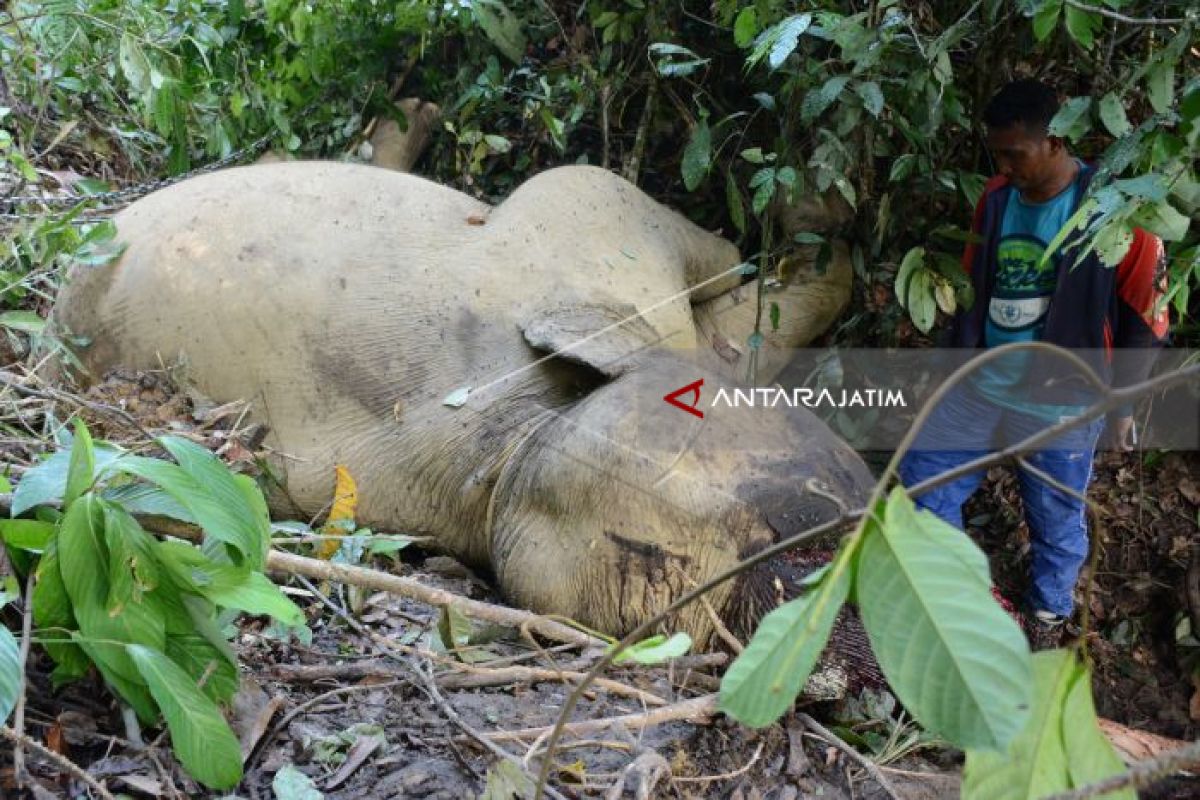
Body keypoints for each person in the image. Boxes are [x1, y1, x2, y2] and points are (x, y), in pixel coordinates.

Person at [898, 78, 1169, 650]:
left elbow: (1145, 319)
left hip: (1064, 399)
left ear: (1055, 142)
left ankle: (1047, 617)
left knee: (1054, 515)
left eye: (1013, 153)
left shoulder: (1115, 213)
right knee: (925, 480)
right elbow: (972, 287)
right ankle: (963, 598)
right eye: (997, 153)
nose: (1003, 166)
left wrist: (1122, 405)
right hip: (983, 383)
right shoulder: (996, 200)